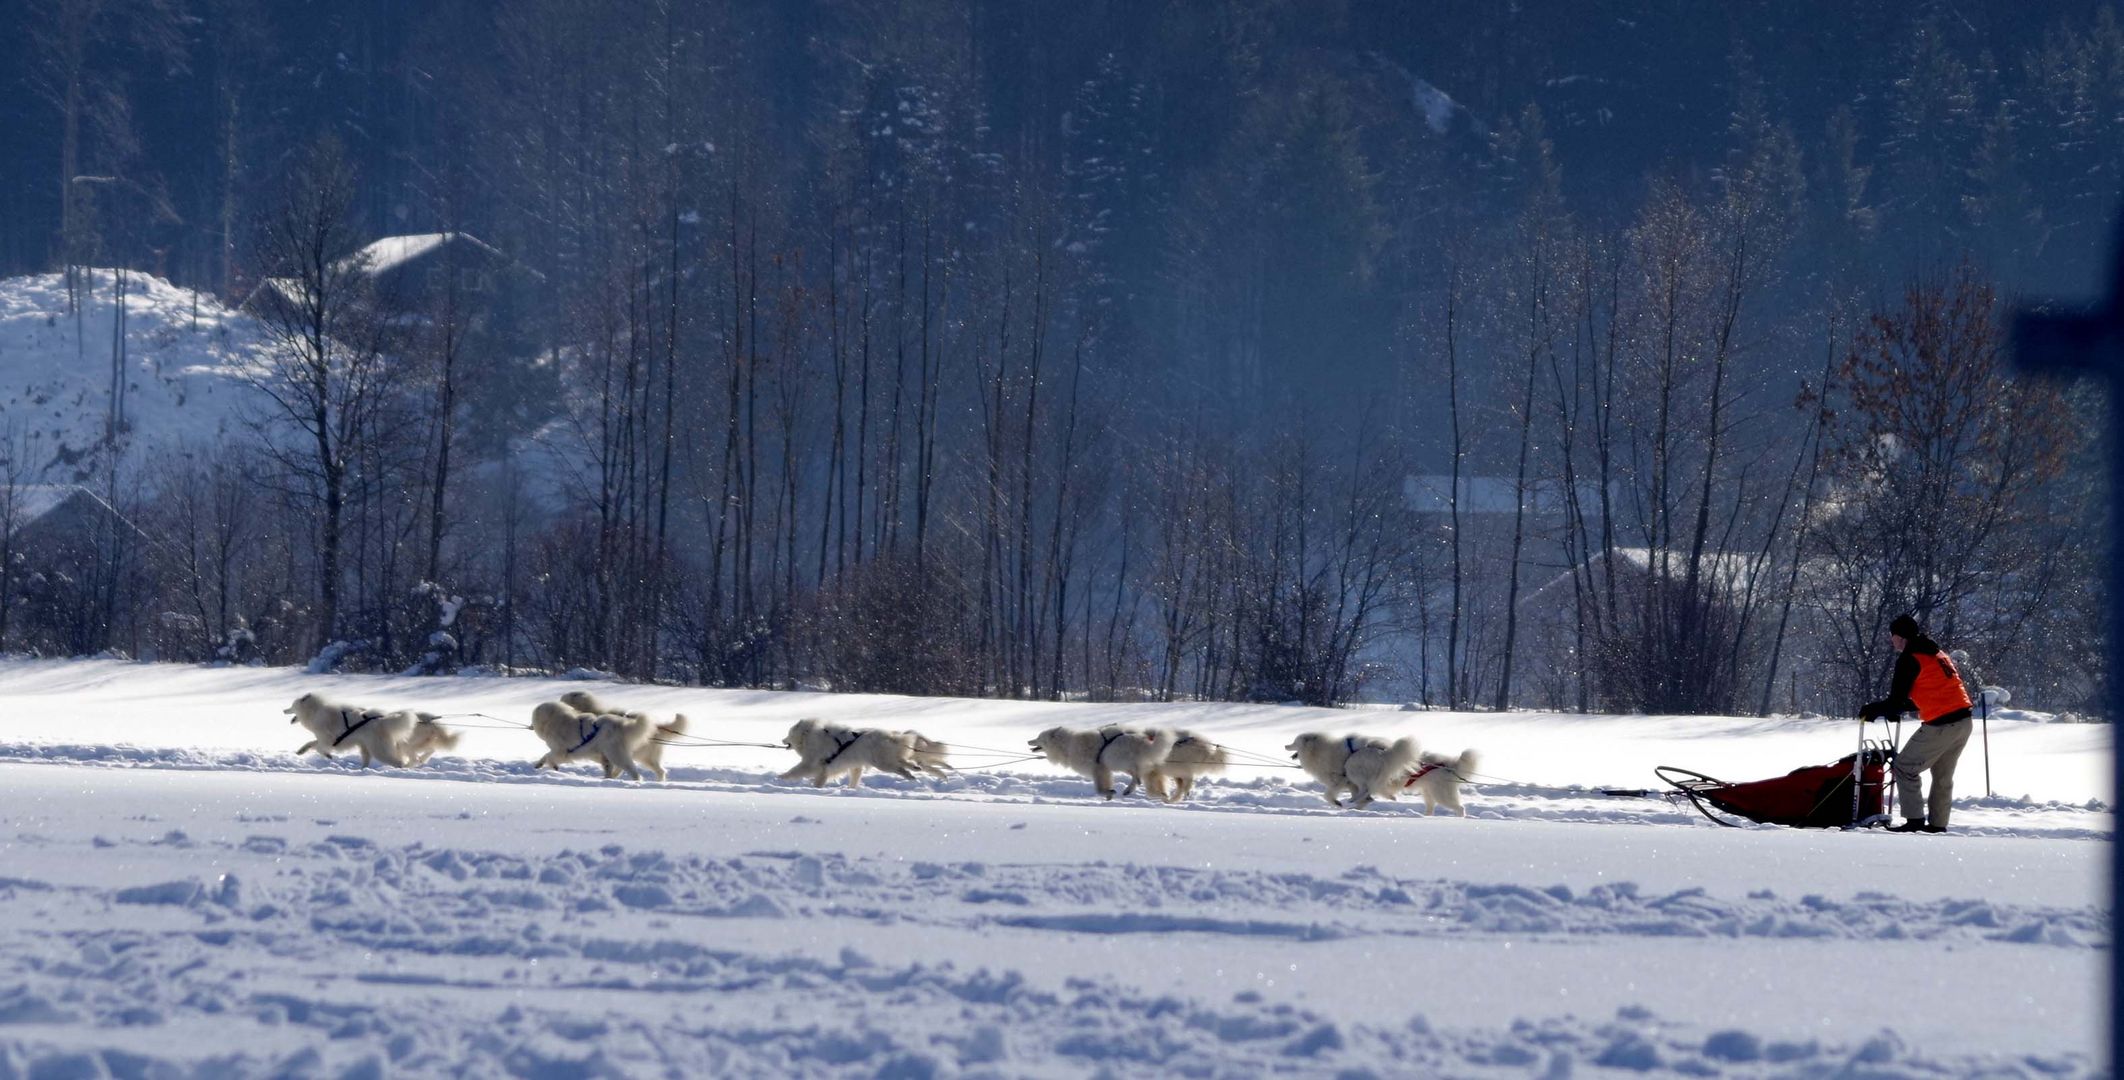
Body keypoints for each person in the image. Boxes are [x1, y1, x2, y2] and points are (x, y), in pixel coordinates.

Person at [1860, 613, 1974, 833]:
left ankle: (1914, 821)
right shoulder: (1937, 653)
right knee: (1942, 775)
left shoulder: (1909, 658)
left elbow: (1896, 700)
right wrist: (1896, 708)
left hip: (1942, 724)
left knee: (1904, 768)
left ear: (1901, 637)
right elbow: (1931, 693)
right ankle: (1938, 824)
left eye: (1892, 635)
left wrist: (1874, 709)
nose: (1891, 640)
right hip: (1964, 722)